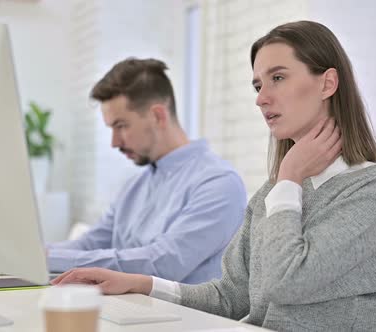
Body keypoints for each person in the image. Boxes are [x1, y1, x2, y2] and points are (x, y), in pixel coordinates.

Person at [50, 21, 376, 331]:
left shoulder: (374, 191)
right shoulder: (277, 190)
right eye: (257, 86)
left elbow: (287, 284)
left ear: (328, 83)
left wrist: (290, 176)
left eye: (277, 78)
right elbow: (231, 296)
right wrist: (141, 284)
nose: (261, 99)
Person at [46, 58, 247, 284]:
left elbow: (162, 264)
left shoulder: (218, 183)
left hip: (182, 317)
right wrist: (36, 255)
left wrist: (52, 259)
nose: (114, 142)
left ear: (157, 116)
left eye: (121, 126)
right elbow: (90, 243)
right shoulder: (135, 186)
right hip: (130, 310)